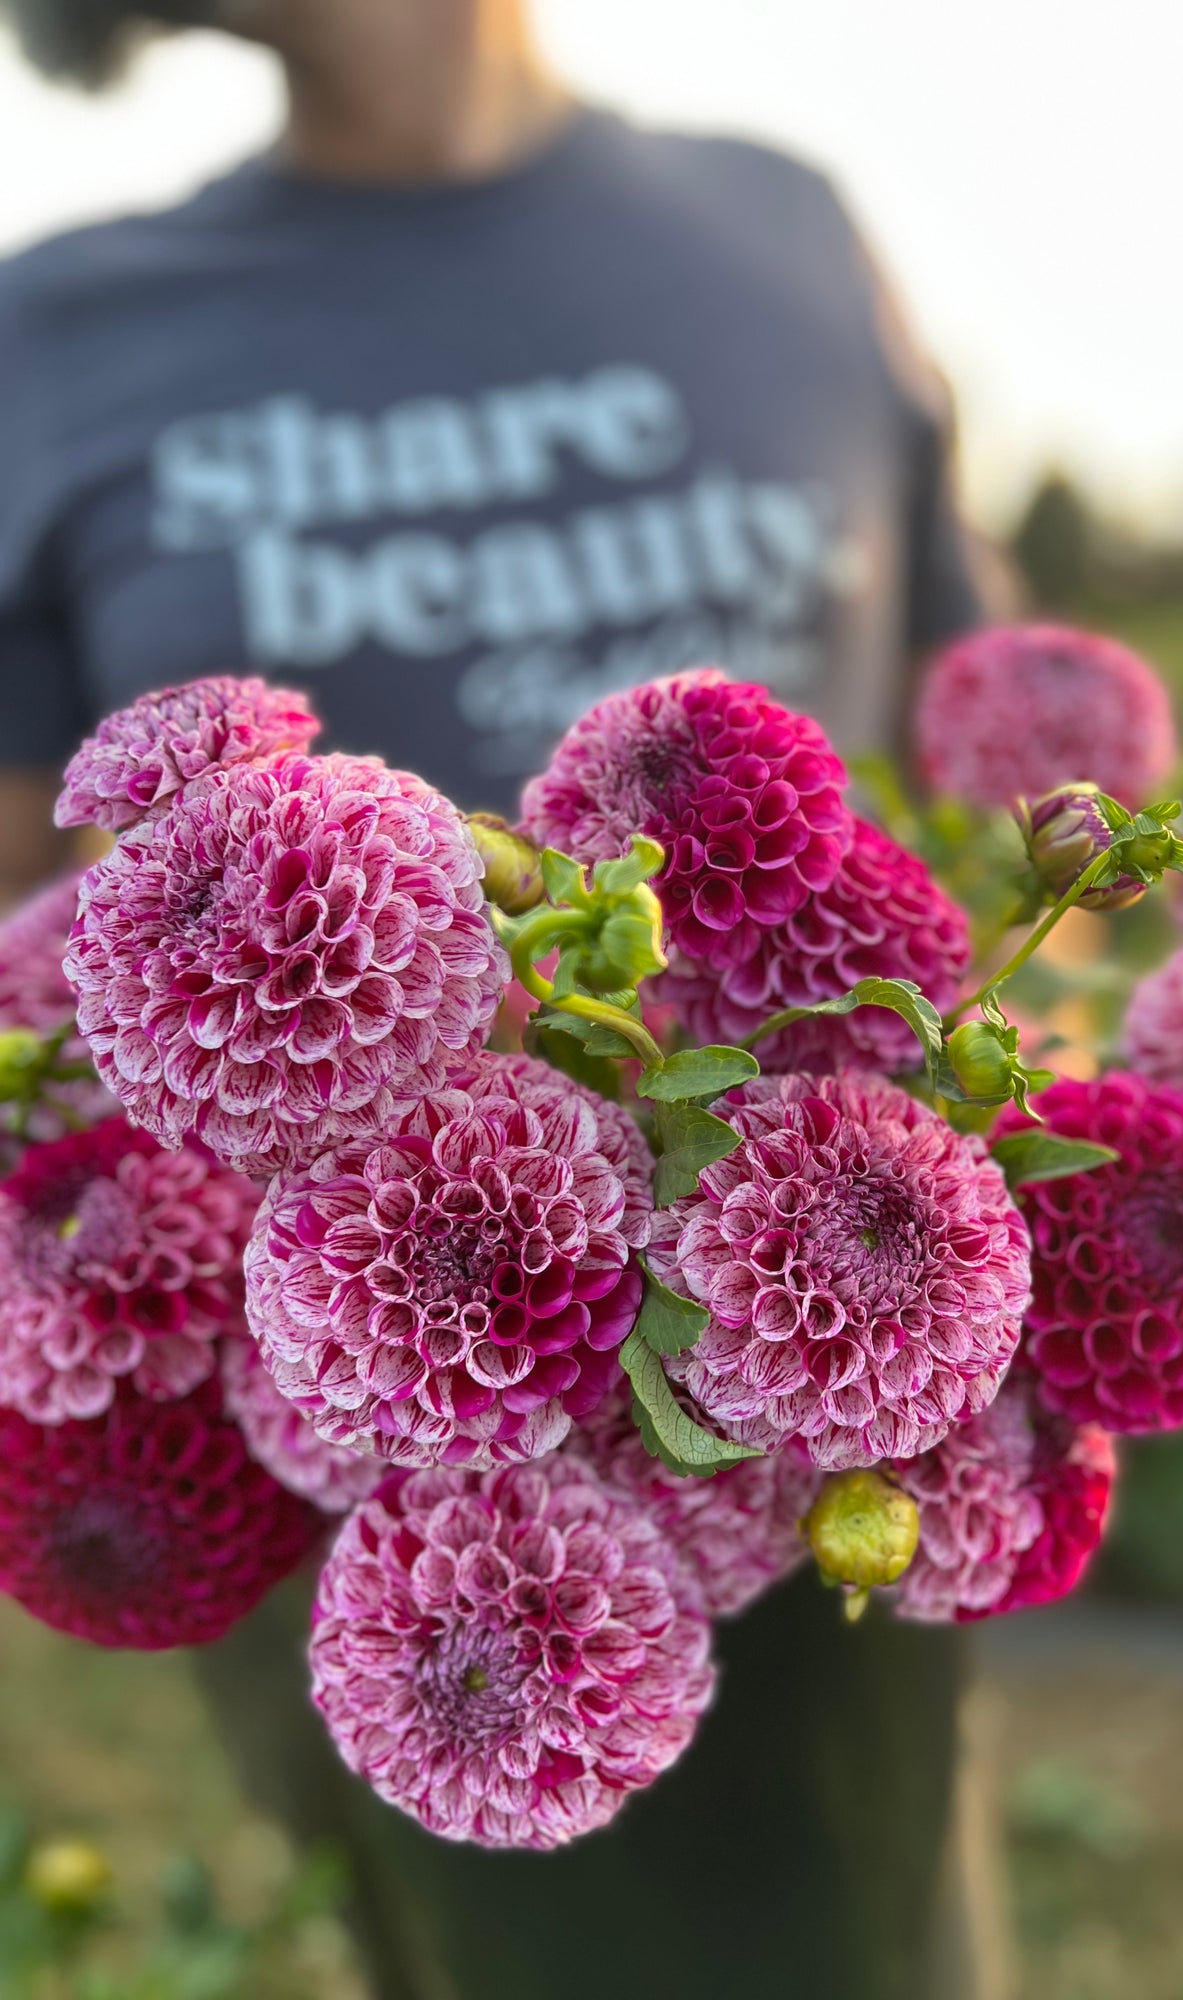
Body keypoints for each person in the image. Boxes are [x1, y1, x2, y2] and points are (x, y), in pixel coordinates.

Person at [0, 6, 1008, 1994]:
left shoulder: (783, 232)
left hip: (830, 1424)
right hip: (350, 1454)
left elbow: (970, 795)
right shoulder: (56, 331)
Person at [0, 0, 1006, 910]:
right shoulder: (57, 331)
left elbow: (1006, 822)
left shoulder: (787, 226)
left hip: (825, 1099)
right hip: (318, 1092)